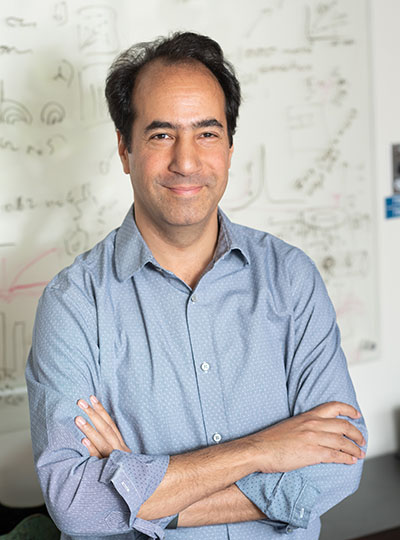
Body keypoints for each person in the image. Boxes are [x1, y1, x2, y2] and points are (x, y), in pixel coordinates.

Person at [26, 32, 367, 540]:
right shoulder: (74, 304)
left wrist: (137, 486)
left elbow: (341, 464)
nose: (186, 162)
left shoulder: (291, 279)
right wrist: (263, 449)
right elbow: (77, 505)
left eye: (207, 133)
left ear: (229, 145)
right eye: (161, 135)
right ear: (125, 148)